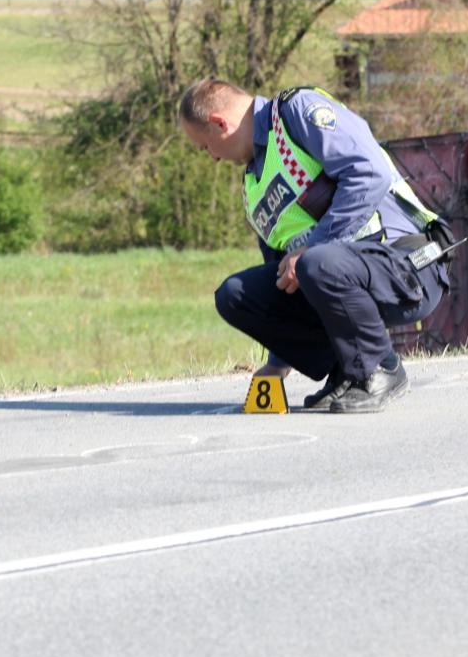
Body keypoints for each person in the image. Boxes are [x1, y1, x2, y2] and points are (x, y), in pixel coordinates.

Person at [178, 78, 452, 413]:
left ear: (220, 123)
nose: (213, 158)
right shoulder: (253, 188)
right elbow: (286, 281)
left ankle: (380, 368)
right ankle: (347, 371)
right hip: (336, 273)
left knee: (315, 261)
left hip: (409, 264)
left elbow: (370, 173)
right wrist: (279, 362)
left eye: (205, 147)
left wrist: (314, 247)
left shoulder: (296, 112)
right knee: (235, 294)